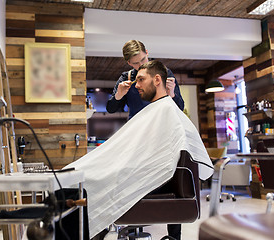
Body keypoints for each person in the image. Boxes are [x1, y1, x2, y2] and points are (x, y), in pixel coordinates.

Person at [64, 60, 213, 239]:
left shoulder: (166, 110)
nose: (137, 85)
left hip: (152, 180)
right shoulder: (157, 110)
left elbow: (157, 160)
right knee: (79, 180)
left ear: (157, 80)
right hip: (139, 172)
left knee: (84, 183)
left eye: (141, 80)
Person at [106, 40, 184, 119]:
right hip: (138, 128)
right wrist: (118, 95)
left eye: (143, 59)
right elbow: (110, 109)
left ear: (147, 53)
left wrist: (172, 95)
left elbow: (180, 108)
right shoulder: (126, 78)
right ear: (129, 63)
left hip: (161, 125)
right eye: (136, 63)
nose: (141, 65)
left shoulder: (165, 74)